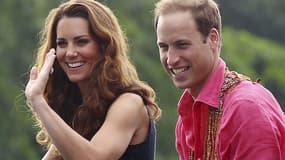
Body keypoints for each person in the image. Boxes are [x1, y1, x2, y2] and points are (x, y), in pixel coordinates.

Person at [25, 0, 161, 159]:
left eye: (81, 41)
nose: (69, 52)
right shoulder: (80, 115)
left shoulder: (129, 103)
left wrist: (38, 101)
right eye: (62, 43)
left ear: (105, 46)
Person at [154, 0, 285, 159]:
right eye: (164, 47)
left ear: (213, 39)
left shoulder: (246, 108)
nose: (171, 59)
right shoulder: (188, 114)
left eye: (182, 45)